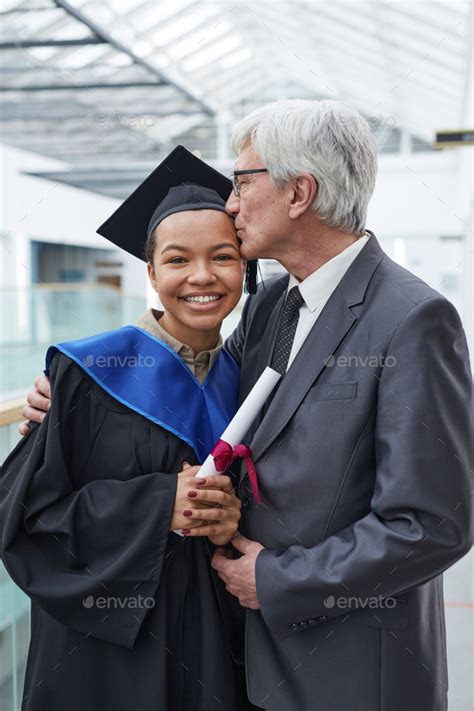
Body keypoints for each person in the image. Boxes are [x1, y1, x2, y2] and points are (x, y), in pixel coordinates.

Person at [18, 100, 473, 711]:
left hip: (350, 672)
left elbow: (431, 525)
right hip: (248, 661)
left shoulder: (412, 319)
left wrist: (275, 580)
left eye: (241, 181)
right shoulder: (272, 304)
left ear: (298, 192)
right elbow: (195, 366)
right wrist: (72, 388)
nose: (230, 203)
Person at [0, 147, 254, 711]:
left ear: (245, 266)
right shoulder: (88, 372)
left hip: (215, 640)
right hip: (103, 652)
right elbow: (24, 518)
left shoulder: (251, 380)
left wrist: (228, 518)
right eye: (177, 259)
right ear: (151, 272)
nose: (201, 277)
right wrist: (159, 503)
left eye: (223, 256)